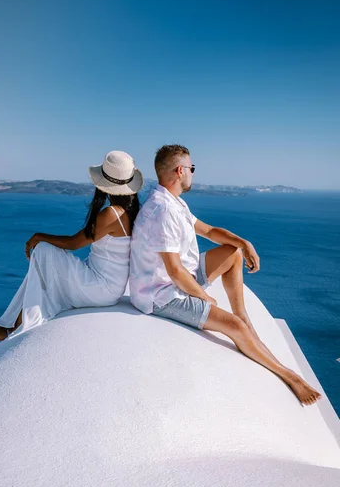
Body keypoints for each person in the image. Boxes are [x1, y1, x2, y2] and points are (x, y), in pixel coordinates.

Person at [129, 144, 321, 406]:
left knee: (233, 254)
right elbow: (173, 271)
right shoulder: (162, 211)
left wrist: (244, 243)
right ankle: (290, 377)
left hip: (182, 276)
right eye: (192, 168)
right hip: (162, 293)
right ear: (180, 170)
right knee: (234, 328)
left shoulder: (174, 203)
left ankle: (243, 319)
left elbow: (208, 231)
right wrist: (203, 296)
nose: (193, 174)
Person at [0, 150, 143, 344]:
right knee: (45, 264)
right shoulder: (133, 212)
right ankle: (10, 324)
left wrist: (38, 236)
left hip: (99, 289)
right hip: (112, 289)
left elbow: (74, 243)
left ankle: (11, 325)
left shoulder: (111, 214)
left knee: (43, 251)